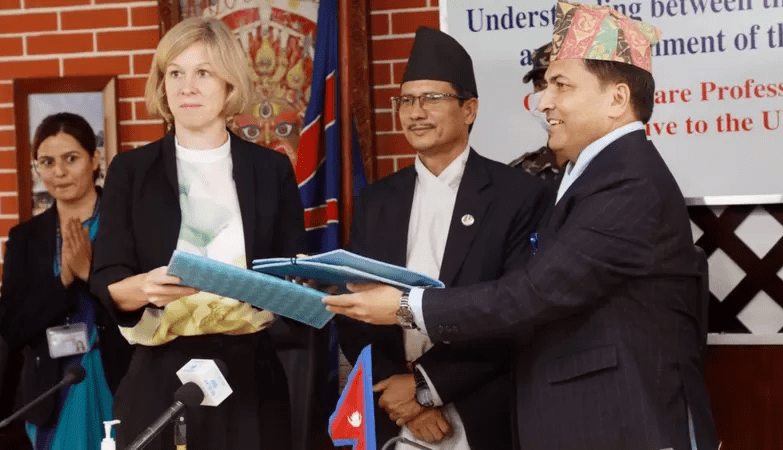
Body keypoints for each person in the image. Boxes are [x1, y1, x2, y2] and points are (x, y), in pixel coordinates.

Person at [323, 2, 718, 449]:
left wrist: (405, 306)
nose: (543, 101)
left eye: (561, 85)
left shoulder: (627, 183)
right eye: (546, 86)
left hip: (621, 425)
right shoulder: (597, 174)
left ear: (617, 99)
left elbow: (531, 295)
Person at [89, 17, 306, 450]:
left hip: (249, 376)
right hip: (158, 372)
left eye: (203, 72)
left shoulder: (271, 170)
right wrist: (146, 288)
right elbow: (106, 280)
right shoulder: (130, 171)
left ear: (229, 84)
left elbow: (294, 273)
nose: (187, 87)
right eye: (175, 73)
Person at [336, 27, 551, 450]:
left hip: (481, 409)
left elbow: (515, 313)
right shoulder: (377, 200)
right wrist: (399, 392)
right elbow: (354, 307)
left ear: (469, 109)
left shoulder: (518, 196)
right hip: (393, 413)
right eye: (406, 100)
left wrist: (426, 387)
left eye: (432, 98)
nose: (416, 112)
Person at [0, 112, 132, 449]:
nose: (59, 172)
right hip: (53, 392)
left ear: (95, 159)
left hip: (120, 381)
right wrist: (64, 280)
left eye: (71, 158)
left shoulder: (127, 224)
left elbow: (148, 311)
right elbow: (14, 327)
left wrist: (90, 275)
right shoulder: (26, 238)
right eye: (47, 162)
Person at [509, 42, 565, 187]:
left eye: (560, 84)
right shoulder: (518, 174)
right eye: (540, 85)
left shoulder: (613, 169)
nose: (545, 100)